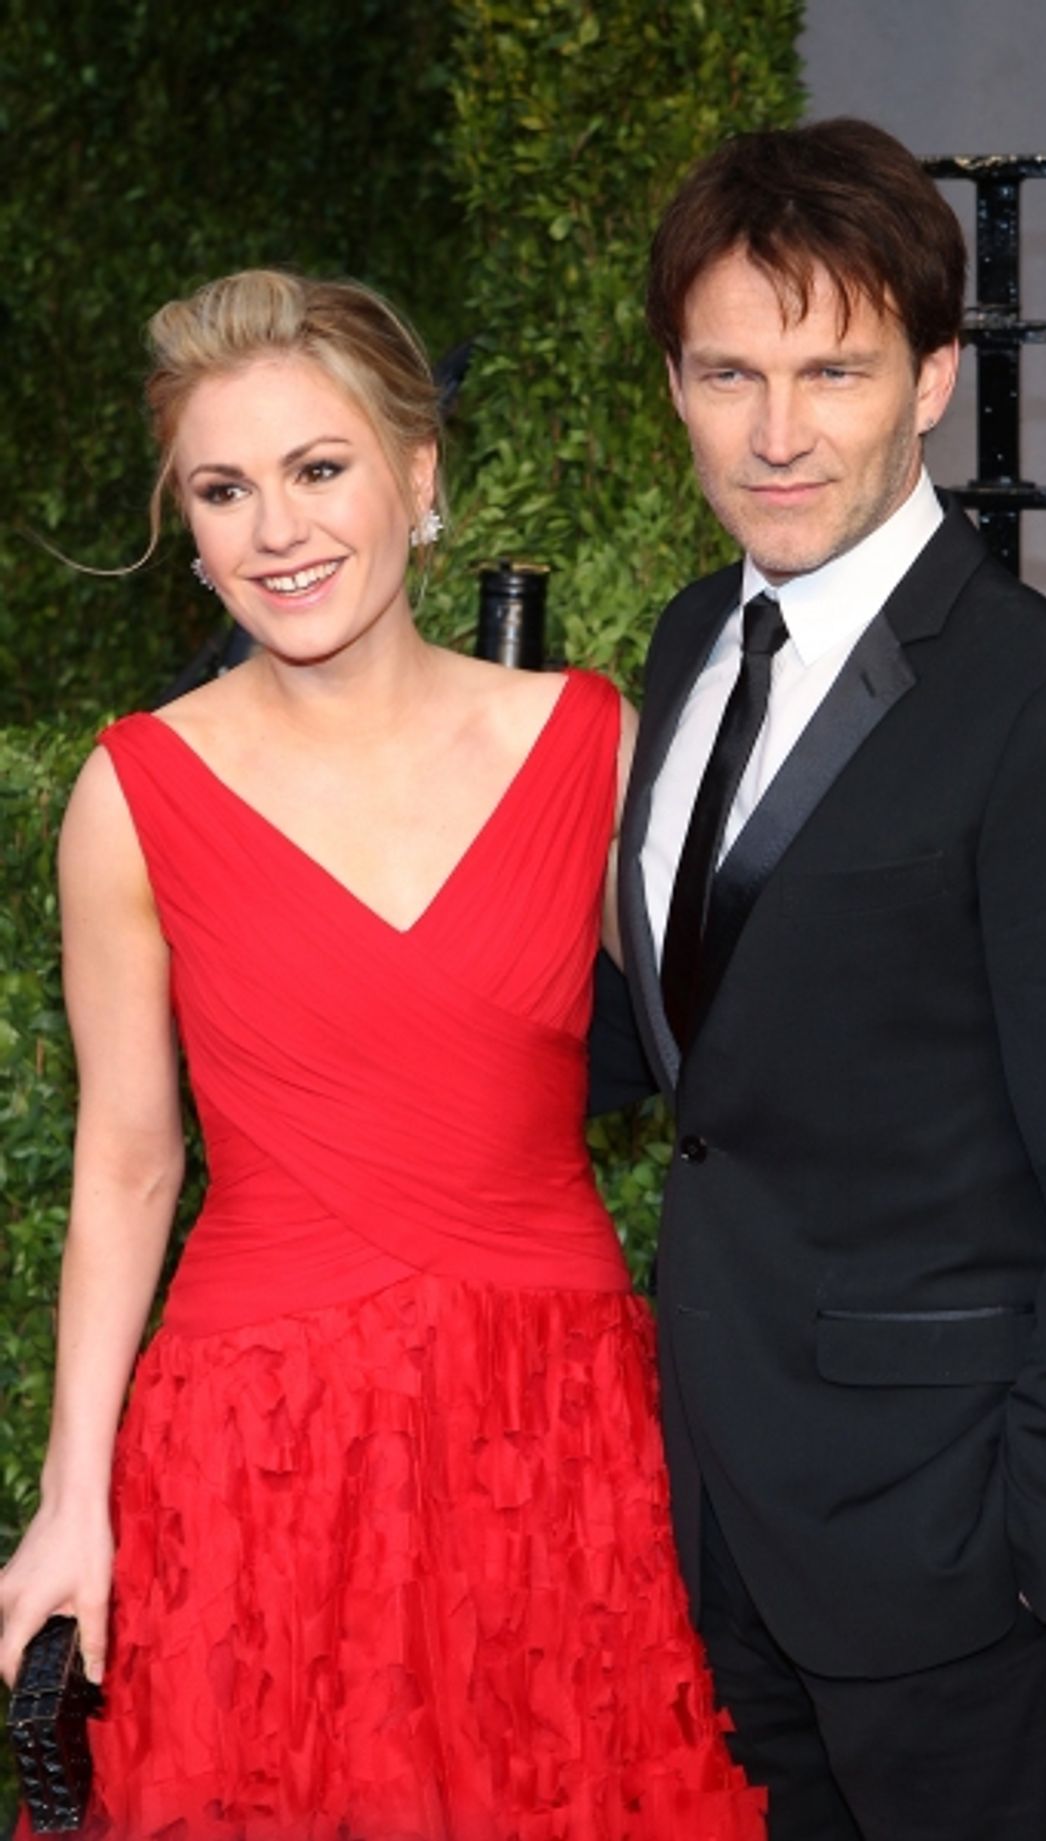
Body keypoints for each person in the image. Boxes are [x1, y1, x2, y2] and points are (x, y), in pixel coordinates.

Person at [0, 270, 764, 1840]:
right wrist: (75, 1496)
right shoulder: (132, 795)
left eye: (318, 468)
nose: (275, 529)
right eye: (224, 489)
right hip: (256, 1456)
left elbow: (752, 1072)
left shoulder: (589, 744)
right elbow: (131, 1160)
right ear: (190, 531)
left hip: (547, 1450)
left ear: (419, 479)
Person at [595, 117, 1046, 1840]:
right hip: (719, 1517)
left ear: (933, 378)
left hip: (955, 1569)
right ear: (675, 387)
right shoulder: (692, 637)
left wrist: (1045, 1572)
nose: (778, 432)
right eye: (730, 372)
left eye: (835, 369)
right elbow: (702, 1038)